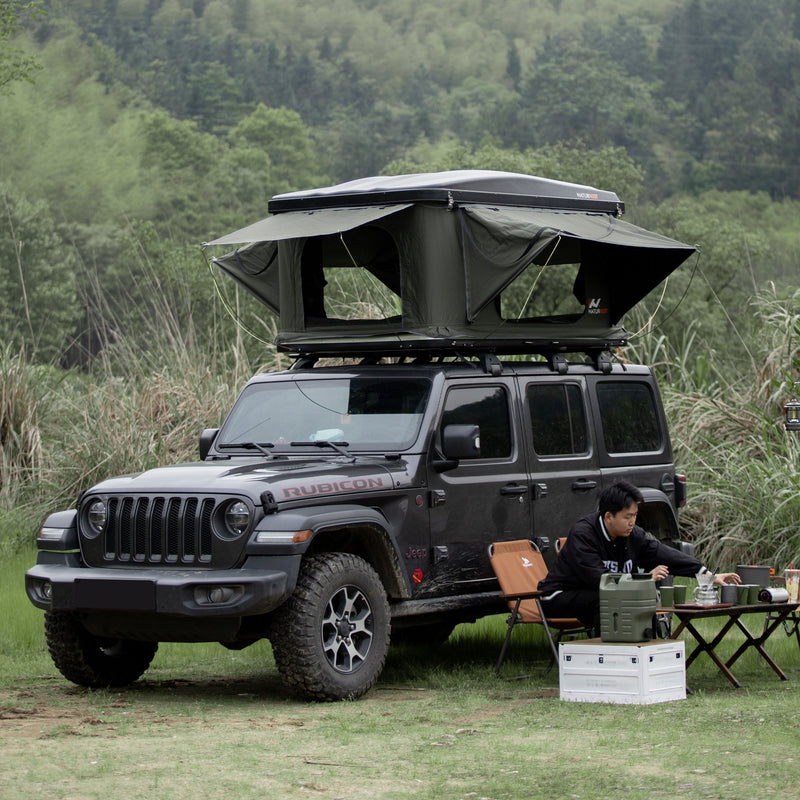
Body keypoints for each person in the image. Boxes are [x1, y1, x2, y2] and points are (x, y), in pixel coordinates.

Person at [538, 479, 740, 631]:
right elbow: (599, 580)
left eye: (635, 515)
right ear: (608, 516)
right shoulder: (584, 535)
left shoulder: (632, 535)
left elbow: (664, 554)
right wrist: (644, 580)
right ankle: (607, 657)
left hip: (601, 594)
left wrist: (706, 574)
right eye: (628, 516)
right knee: (608, 599)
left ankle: (644, 653)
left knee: (635, 598)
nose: (633, 522)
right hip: (558, 597)